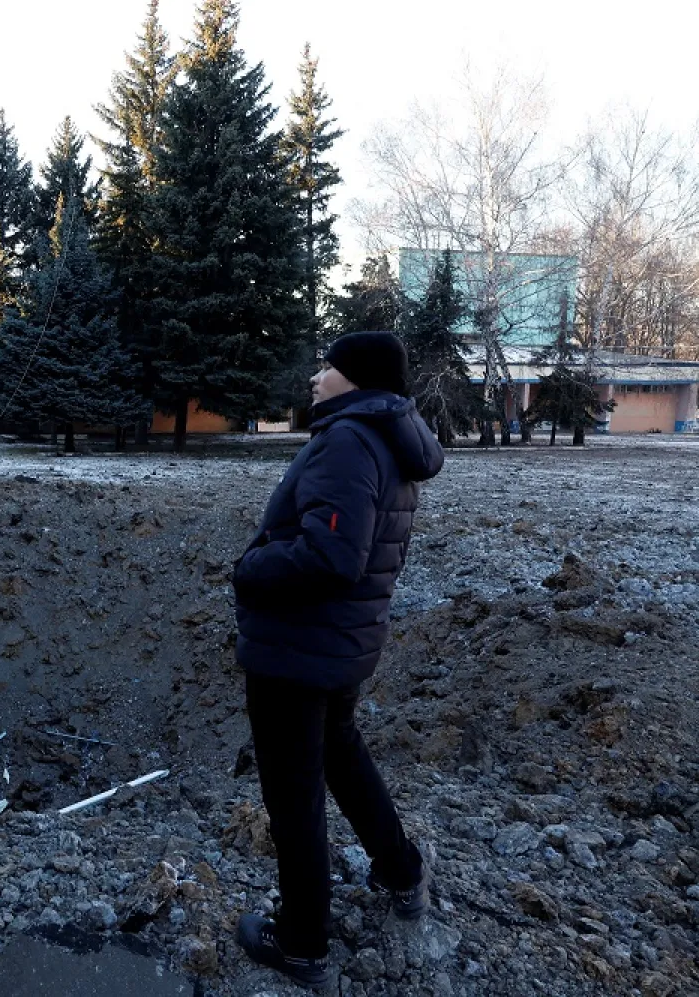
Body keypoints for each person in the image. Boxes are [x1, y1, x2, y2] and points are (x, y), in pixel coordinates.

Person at [230, 331, 445, 988]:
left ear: (355, 377)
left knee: (294, 796)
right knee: (342, 758)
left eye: (325, 366)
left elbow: (331, 555)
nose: (315, 377)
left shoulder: (349, 440)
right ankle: (402, 871)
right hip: (340, 642)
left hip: (299, 648)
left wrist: (251, 565)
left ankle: (303, 942)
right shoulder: (386, 436)